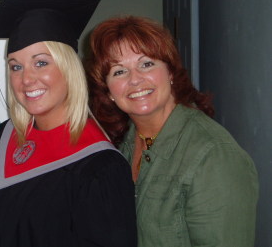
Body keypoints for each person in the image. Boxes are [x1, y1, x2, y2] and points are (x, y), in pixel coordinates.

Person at [85, 15, 259, 247]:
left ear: (170, 72)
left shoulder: (213, 155)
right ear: (108, 92)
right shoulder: (122, 147)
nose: (135, 80)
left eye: (146, 64)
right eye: (119, 72)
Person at [0, 0, 137, 247]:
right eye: (15, 67)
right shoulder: (2, 138)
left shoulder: (99, 167)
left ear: (68, 68)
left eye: (41, 63)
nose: (26, 79)